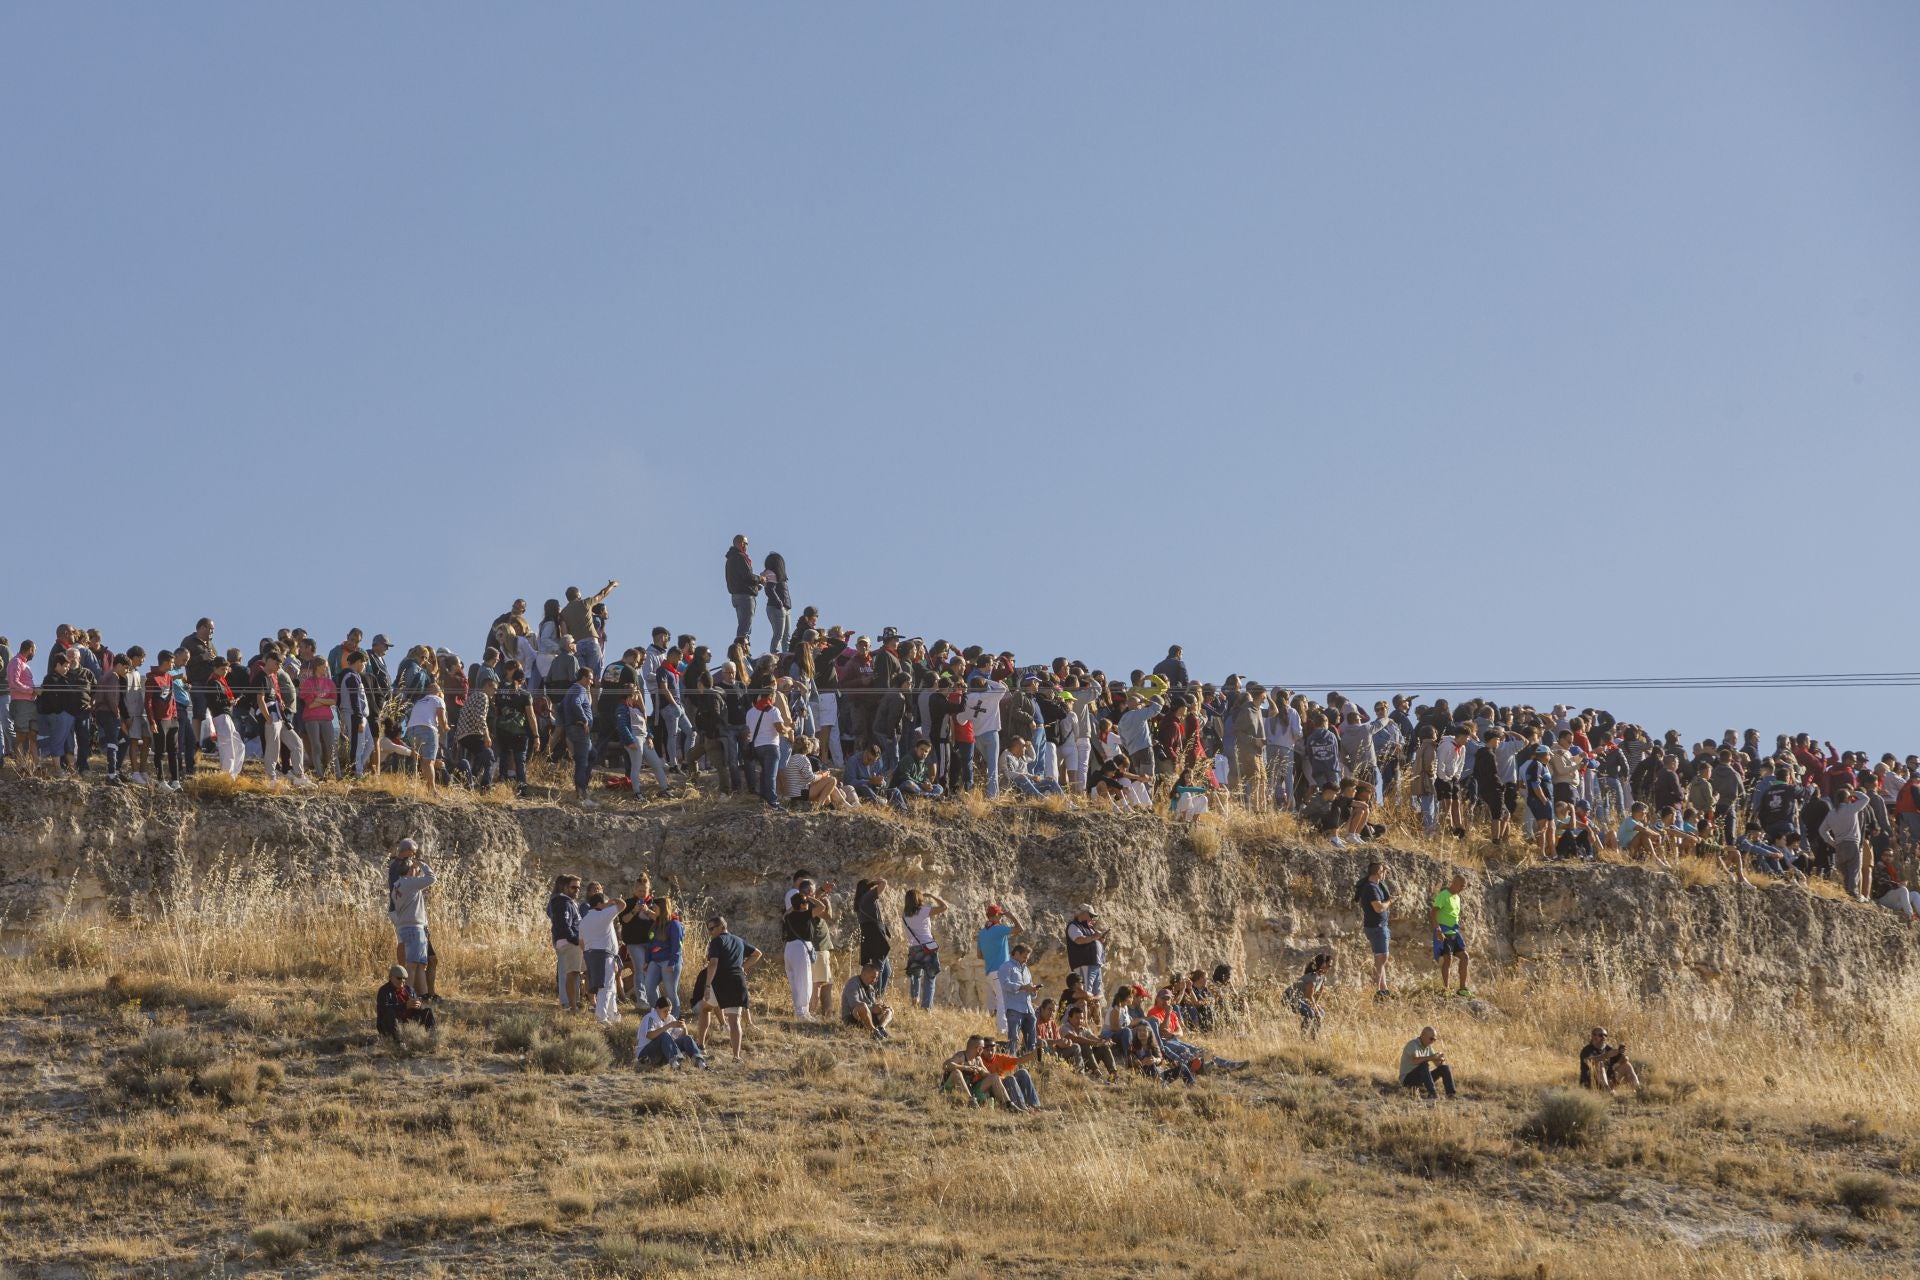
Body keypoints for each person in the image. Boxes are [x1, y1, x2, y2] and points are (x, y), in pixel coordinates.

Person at [699, 915, 760, 1062]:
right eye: (708, 929)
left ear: (722, 927)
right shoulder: (739, 941)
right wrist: (742, 967)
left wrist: (707, 985)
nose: (710, 932)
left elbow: (713, 963)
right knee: (734, 1021)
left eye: (712, 928)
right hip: (737, 981)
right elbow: (757, 954)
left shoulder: (717, 941)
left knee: (705, 1008)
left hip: (720, 980)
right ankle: (736, 1056)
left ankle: (700, 1044)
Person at [388, 844, 436, 995]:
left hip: (404, 928)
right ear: (409, 870)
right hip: (415, 929)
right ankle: (407, 995)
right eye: (415, 869)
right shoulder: (410, 883)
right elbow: (431, 878)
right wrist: (421, 863)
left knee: (420, 965)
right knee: (413, 966)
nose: (417, 871)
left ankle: (422, 995)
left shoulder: (397, 886)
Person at [781, 880, 830, 1020]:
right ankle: (803, 1013)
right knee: (805, 980)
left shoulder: (788, 916)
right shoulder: (804, 914)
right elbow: (821, 907)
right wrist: (809, 897)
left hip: (789, 949)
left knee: (795, 981)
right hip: (800, 949)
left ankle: (800, 1012)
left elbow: (789, 910)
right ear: (802, 905)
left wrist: (801, 900)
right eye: (806, 903)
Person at [579, 888, 625, 1023]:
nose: (609, 906)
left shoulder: (584, 920)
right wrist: (611, 902)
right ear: (599, 904)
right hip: (604, 955)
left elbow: (581, 943)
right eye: (606, 903)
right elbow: (622, 905)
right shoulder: (602, 914)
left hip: (591, 955)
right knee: (605, 986)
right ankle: (602, 1017)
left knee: (610, 986)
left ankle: (612, 1014)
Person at [975, 904, 1022, 1036]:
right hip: (1000, 972)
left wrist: (991, 956)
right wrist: (1011, 916)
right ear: (995, 915)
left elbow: (979, 955)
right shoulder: (999, 929)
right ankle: (1003, 1031)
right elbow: (1020, 929)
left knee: (993, 1004)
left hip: (989, 972)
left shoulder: (983, 932)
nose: (1001, 917)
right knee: (1003, 1001)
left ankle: (992, 1029)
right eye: (1000, 915)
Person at [942, 1035, 1021, 1110]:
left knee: (994, 1077)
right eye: (983, 1048)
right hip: (950, 1089)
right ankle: (971, 1102)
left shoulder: (978, 1059)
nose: (984, 1050)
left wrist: (981, 1070)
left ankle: (1008, 1105)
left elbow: (988, 1074)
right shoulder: (961, 1056)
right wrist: (965, 1067)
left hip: (969, 1090)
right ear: (979, 1049)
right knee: (957, 1072)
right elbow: (946, 1065)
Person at [1353, 860, 1394, 1000]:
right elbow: (1378, 908)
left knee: (1382, 957)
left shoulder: (1375, 886)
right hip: (1376, 927)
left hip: (1379, 926)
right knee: (1381, 958)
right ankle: (1376, 991)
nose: (1385, 876)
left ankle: (1383, 989)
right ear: (1378, 872)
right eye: (1385, 872)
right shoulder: (1371, 888)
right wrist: (1390, 902)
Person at [902, 888, 947, 1010]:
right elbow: (944, 907)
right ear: (918, 899)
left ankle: (914, 1001)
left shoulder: (904, 914)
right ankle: (926, 1008)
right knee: (930, 977)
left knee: (915, 977)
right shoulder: (923, 911)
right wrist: (932, 896)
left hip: (913, 949)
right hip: (928, 947)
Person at [635, 995, 708, 1069]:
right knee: (664, 1035)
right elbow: (649, 1035)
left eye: (669, 1010)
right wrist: (668, 1026)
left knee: (687, 1038)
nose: (667, 1013)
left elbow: (682, 1038)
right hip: (646, 1054)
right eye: (665, 1011)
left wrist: (684, 1028)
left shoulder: (670, 1018)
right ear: (657, 1008)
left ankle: (700, 1062)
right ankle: (675, 1063)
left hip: (663, 1055)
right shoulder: (650, 1017)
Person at [1430, 873, 1473, 998]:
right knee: (1448, 959)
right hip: (1443, 932)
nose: (1462, 888)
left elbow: (1453, 914)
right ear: (1454, 883)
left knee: (1465, 957)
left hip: (1454, 933)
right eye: (1461, 886)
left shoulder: (1457, 897)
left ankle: (1462, 988)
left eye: (1464, 887)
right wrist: (1437, 929)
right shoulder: (1443, 895)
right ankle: (1446, 989)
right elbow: (1433, 913)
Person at [996, 942, 1043, 1054]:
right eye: (1024, 957)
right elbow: (1005, 984)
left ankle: (1030, 1062)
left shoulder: (1026, 970)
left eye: (1027, 958)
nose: (1026, 960)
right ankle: (1012, 1061)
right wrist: (1022, 987)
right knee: (1014, 1038)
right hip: (1014, 1009)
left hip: (1028, 1009)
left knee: (1031, 1039)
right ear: (1016, 953)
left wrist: (1033, 990)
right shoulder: (1006, 967)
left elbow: (1030, 990)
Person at [548, 874, 584, 1011]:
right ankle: (567, 1003)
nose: (577, 890)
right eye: (573, 887)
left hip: (569, 942)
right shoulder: (562, 902)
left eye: (578, 888)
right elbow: (564, 925)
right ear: (564, 887)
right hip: (569, 943)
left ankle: (572, 1001)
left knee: (573, 973)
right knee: (567, 973)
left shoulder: (567, 902)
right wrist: (575, 940)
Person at [853, 878, 893, 995]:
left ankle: (878, 995)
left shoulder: (860, 900)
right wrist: (874, 882)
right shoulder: (868, 897)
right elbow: (884, 883)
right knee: (879, 970)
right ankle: (875, 997)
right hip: (876, 937)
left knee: (886, 970)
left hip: (871, 936)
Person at [376, 964, 435, 1038]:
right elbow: (383, 1009)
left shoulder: (409, 989)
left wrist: (418, 1005)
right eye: (399, 978)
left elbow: (417, 1006)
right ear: (390, 977)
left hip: (407, 1022)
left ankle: (433, 1036)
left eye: (404, 978)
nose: (402, 981)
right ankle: (398, 1042)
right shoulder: (384, 991)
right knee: (390, 1013)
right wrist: (405, 1006)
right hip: (389, 1025)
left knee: (427, 1011)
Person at [841, 960, 893, 1040]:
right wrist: (872, 1008)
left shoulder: (870, 987)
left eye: (876, 978)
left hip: (867, 1016)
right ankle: (873, 1032)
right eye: (873, 977)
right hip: (852, 1017)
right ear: (864, 974)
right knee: (862, 1006)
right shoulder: (852, 984)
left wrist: (879, 1007)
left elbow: (872, 1004)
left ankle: (880, 1029)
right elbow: (854, 1005)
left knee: (889, 1010)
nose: (875, 980)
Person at [1400, 1025, 1455, 1099]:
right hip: (1408, 1080)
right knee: (1424, 1065)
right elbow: (1414, 1061)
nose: (1432, 1041)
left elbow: (1438, 1065)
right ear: (1423, 1035)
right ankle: (1433, 1094)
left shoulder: (1428, 1047)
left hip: (1421, 1077)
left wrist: (1440, 1060)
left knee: (1445, 1068)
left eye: (1434, 1039)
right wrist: (1431, 1057)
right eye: (1431, 1039)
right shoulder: (1412, 1044)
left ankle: (1451, 1095)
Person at [1578, 1026, 1640, 1091]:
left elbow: (1624, 1059)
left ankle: (1638, 1089)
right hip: (1592, 1085)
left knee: (1627, 1065)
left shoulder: (1608, 1048)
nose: (1603, 1037)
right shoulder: (1587, 1050)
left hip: (1608, 1081)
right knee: (1599, 1063)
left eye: (1605, 1035)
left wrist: (1622, 1055)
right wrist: (1605, 1056)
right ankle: (1607, 1091)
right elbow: (1588, 1061)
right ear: (1593, 1036)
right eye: (1601, 1035)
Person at [1065, 904, 1107, 999]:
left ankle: (1093, 1009)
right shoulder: (1073, 926)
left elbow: (1091, 940)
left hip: (1095, 964)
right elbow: (1079, 940)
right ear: (1083, 913)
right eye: (1091, 915)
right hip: (1085, 963)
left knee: (1097, 992)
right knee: (1086, 991)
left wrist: (1099, 940)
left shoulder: (1089, 928)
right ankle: (1085, 1011)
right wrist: (1094, 937)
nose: (1092, 918)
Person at [725, 534, 760, 645]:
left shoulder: (731, 558)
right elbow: (747, 576)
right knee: (745, 626)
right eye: (745, 543)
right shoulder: (739, 557)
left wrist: (755, 586)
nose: (747, 546)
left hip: (737, 595)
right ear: (740, 544)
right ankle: (741, 649)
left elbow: (740, 579)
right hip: (745, 596)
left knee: (744, 625)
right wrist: (760, 579)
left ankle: (743, 648)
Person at [1288, 953, 1333, 1038]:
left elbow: (1319, 993)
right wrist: (1315, 1007)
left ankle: (1313, 1038)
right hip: (1289, 997)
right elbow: (1309, 995)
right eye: (1328, 965)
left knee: (1321, 1013)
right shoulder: (1312, 977)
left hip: (1301, 999)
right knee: (1310, 1013)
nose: (1329, 968)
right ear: (1323, 964)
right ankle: (1303, 1037)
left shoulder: (1322, 978)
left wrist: (1316, 1005)